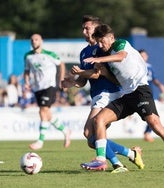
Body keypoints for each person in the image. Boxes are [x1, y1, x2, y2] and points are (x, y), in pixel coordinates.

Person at [81, 24, 164, 174]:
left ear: (111, 37)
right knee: (98, 120)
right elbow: (116, 81)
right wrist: (102, 72)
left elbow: (121, 56)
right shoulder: (104, 54)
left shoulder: (120, 44)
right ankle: (101, 161)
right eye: (99, 42)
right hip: (127, 95)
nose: (101, 45)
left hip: (141, 91)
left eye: (103, 41)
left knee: (155, 125)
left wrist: (98, 59)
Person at [62, 15, 144, 173]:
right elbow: (84, 81)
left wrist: (82, 72)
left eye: (88, 28)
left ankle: (113, 163)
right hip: (97, 95)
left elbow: (97, 74)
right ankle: (129, 155)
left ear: (96, 28)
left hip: (109, 93)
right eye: (83, 29)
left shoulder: (102, 49)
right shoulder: (84, 52)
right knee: (93, 138)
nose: (84, 31)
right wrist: (73, 81)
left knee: (89, 132)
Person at [24, 33, 71, 150]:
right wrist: (26, 81)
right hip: (37, 87)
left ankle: (40, 141)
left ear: (41, 41)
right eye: (32, 40)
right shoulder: (28, 56)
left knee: (43, 110)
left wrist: (61, 79)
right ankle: (66, 131)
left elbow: (61, 64)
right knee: (46, 114)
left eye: (36, 39)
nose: (34, 41)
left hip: (49, 86)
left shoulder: (49, 54)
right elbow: (26, 70)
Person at [138, 49, 164, 143]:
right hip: (138, 94)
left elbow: (154, 80)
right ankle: (147, 132)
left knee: (153, 115)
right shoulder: (136, 66)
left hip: (149, 95)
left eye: (144, 56)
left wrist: (161, 86)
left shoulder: (150, 67)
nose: (143, 58)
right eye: (141, 56)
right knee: (152, 115)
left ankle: (147, 133)